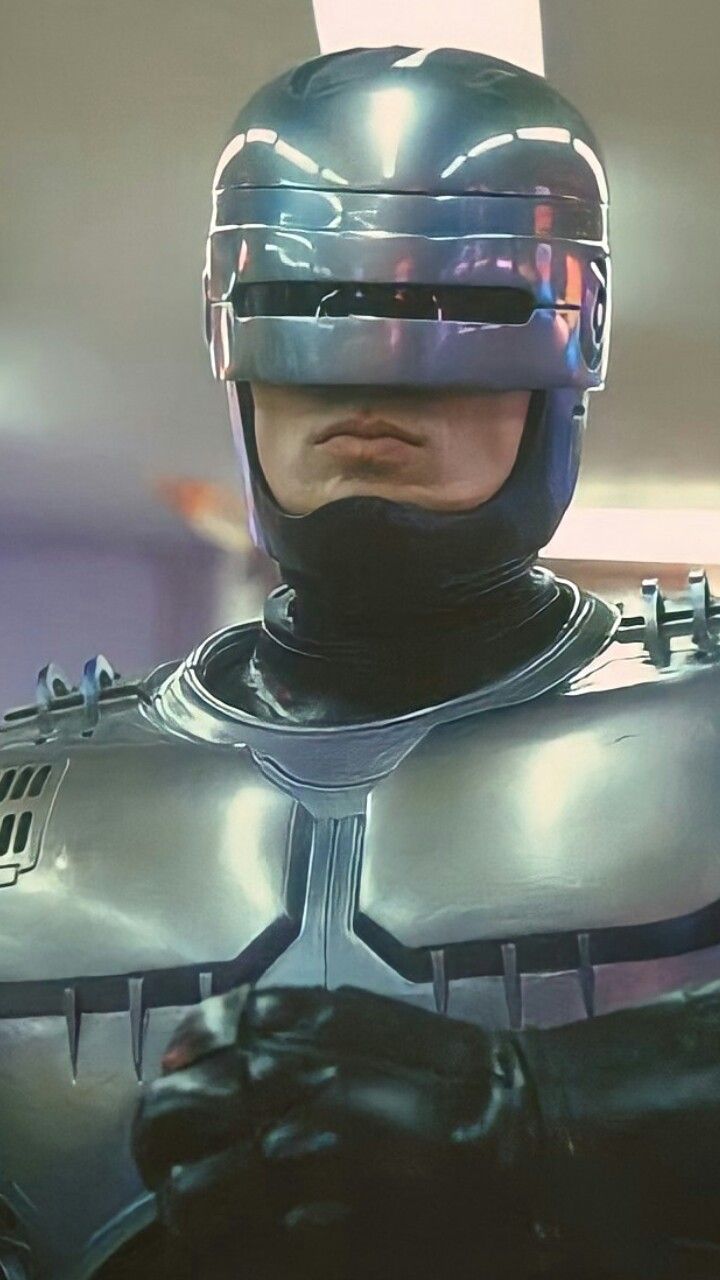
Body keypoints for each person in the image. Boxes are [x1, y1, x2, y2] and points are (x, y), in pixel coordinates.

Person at [1, 43, 719, 1280]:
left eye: (464, 307)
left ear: (575, 329)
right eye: (310, 300)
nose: (378, 370)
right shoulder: (28, 805)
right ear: (232, 329)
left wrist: (547, 1110)